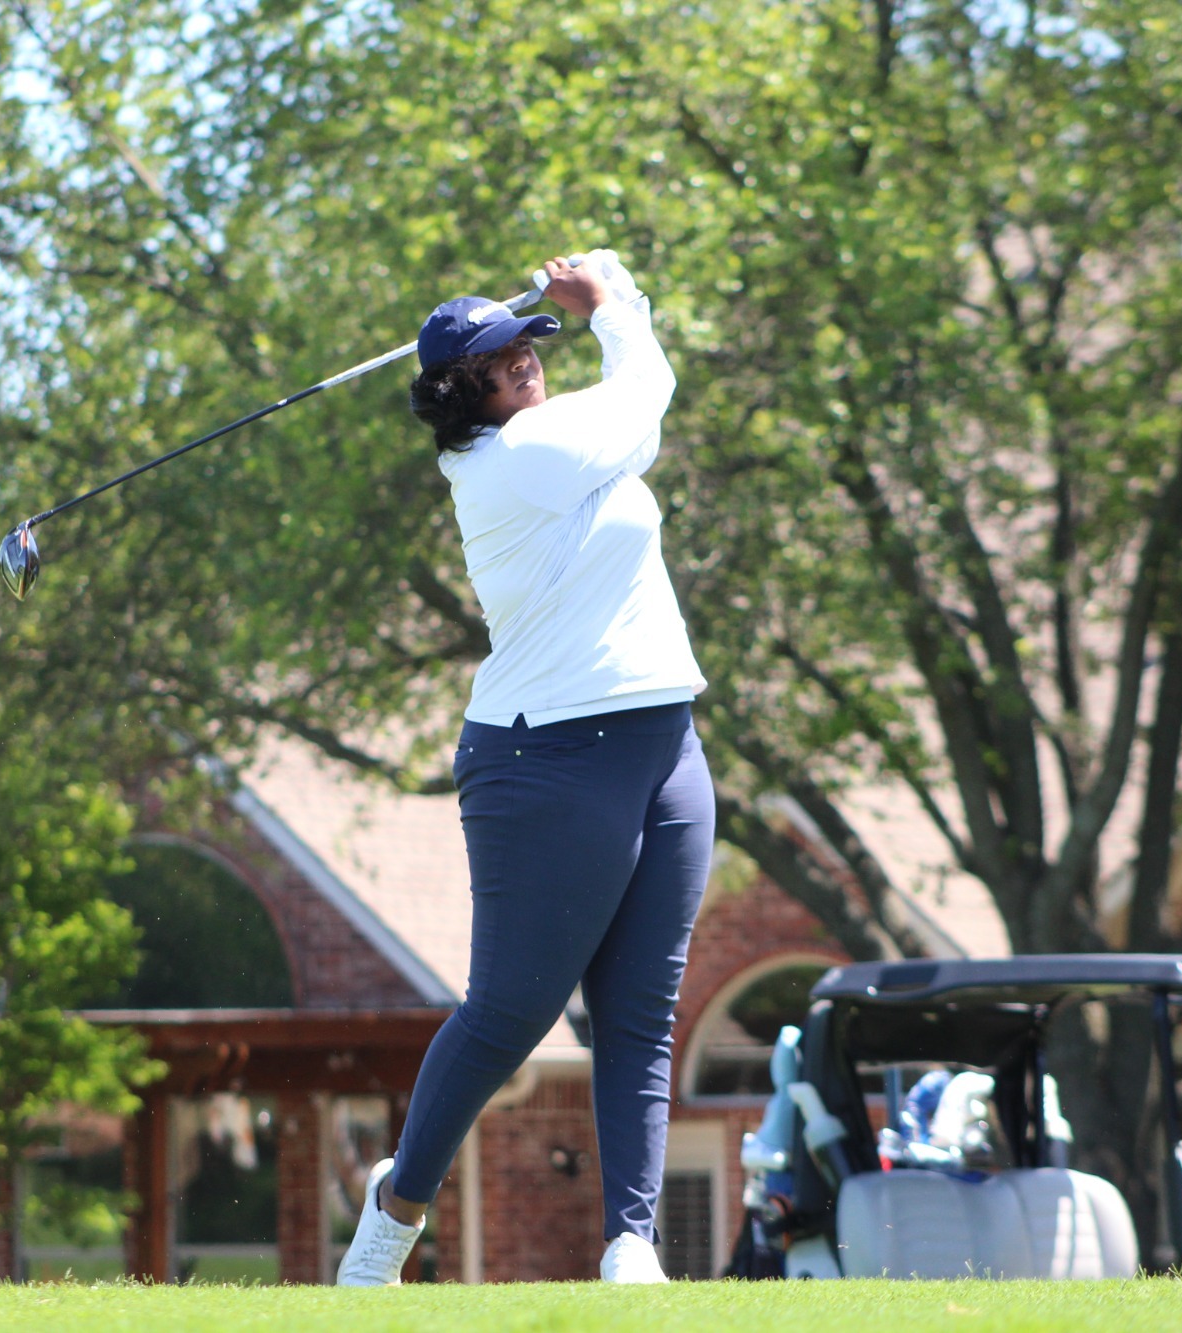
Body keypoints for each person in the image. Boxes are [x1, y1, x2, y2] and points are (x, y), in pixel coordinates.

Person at [335, 252, 713, 1285]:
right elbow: (644, 404)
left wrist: (590, 317)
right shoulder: (510, 458)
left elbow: (627, 426)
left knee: (640, 1007)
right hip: (546, 755)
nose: (525, 364)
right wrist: (617, 302)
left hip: (662, 741)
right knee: (510, 1010)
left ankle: (631, 1244)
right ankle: (394, 1212)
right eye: (499, 359)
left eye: (526, 347)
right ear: (460, 392)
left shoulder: (553, 439)